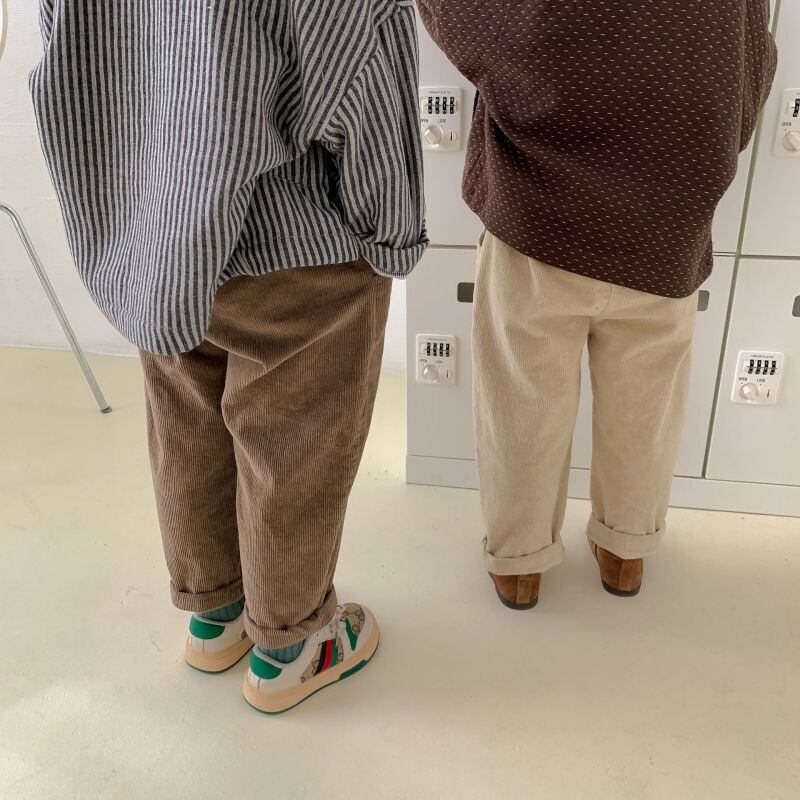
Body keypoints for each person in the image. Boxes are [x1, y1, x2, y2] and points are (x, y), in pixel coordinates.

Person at [31, 0, 427, 712]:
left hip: (155, 230)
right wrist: (392, 232)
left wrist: (127, 212)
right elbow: (363, 63)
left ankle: (214, 617)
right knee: (294, 446)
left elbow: (64, 57)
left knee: (186, 418)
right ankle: (290, 648)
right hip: (295, 242)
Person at [418, 1, 777, 608]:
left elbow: (466, 19)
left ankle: (520, 563)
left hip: (539, 213)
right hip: (668, 219)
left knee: (523, 403)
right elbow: (751, 60)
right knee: (646, 406)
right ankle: (626, 551)